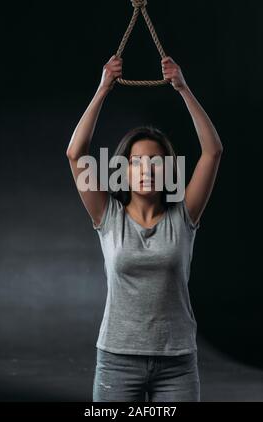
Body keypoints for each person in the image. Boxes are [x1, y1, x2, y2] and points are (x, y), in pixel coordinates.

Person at [66, 55, 223, 402]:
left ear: (169, 170)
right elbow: (76, 153)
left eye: (156, 162)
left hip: (178, 363)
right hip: (117, 362)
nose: (147, 169)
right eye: (137, 162)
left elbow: (212, 152)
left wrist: (183, 89)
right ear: (124, 170)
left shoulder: (184, 217)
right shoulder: (108, 216)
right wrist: (103, 88)